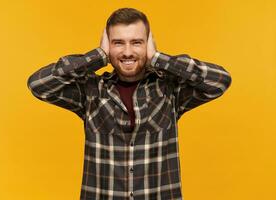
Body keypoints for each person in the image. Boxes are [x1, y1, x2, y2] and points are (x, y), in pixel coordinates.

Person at [27, 7, 232, 200]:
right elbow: (38, 84)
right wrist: (98, 56)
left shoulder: (169, 89)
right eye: (118, 43)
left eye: (136, 42)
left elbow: (220, 81)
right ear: (108, 45)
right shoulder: (91, 91)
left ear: (148, 44)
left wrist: (158, 58)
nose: (127, 52)